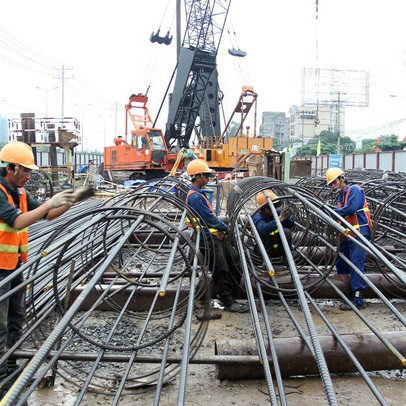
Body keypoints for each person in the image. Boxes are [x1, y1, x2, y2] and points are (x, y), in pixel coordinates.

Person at [0, 142, 80, 399]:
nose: (28, 175)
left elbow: (47, 215)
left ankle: (11, 369)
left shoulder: (20, 192)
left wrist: (72, 200)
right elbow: (17, 220)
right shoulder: (0, 191)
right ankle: (2, 378)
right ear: (10, 168)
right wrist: (47, 205)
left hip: (14, 266)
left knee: (16, 321)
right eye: (24, 170)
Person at [185, 159, 248, 313]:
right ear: (198, 177)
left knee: (235, 261)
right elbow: (209, 219)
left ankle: (227, 293)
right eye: (206, 176)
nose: (208, 179)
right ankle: (227, 300)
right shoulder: (195, 197)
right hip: (207, 239)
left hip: (215, 237)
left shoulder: (198, 195)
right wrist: (224, 226)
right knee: (221, 268)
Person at [326, 167, 372, 310]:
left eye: (334, 183)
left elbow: (351, 209)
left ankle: (358, 299)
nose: (333, 186)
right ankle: (346, 292)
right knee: (342, 261)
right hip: (348, 234)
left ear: (342, 179)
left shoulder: (355, 190)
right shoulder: (341, 196)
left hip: (359, 233)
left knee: (356, 264)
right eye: (330, 185)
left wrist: (331, 212)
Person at [253, 190, 295, 262]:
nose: (276, 209)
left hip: (278, 248)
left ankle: (286, 257)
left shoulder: (277, 211)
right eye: (274, 207)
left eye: (276, 207)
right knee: (264, 234)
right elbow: (264, 229)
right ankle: (266, 260)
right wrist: (280, 218)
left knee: (286, 232)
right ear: (266, 209)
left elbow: (290, 224)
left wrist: (287, 217)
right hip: (263, 250)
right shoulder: (257, 216)